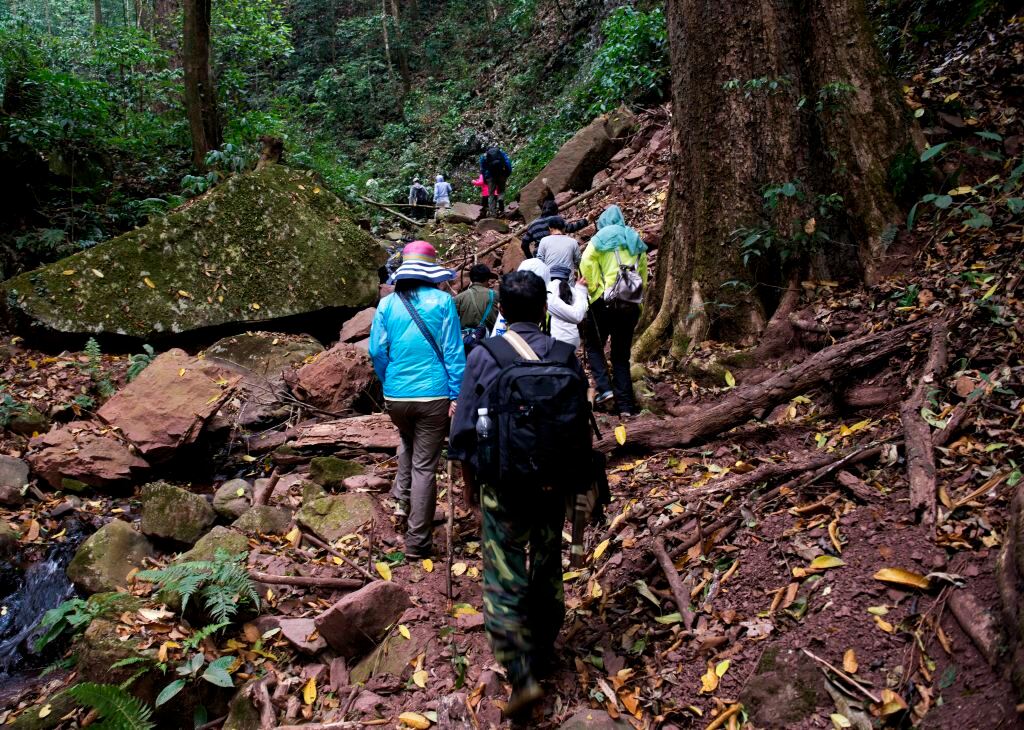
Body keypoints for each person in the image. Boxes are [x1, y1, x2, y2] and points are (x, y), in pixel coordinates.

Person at [450, 270, 590, 717]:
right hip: (553, 483)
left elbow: (465, 431)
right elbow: (578, 428)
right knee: (547, 565)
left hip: (504, 486)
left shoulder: (485, 355)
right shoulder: (566, 355)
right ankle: (544, 650)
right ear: (542, 310)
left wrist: (470, 488)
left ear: (503, 312)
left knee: (503, 575)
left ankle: (521, 673)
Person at [369, 241, 466, 559]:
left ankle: (400, 504)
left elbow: (376, 351)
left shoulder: (387, 305)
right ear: (431, 271)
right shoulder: (443, 301)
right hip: (434, 396)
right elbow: (453, 352)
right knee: (425, 466)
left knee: (409, 445)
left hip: (397, 396)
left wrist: (388, 382)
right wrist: (457, 394)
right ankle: (417, 543)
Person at [579, 205, 648, 416]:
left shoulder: (600, 238)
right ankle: (626, 406)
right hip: (630, 303)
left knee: (593, 345)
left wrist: (594, 290)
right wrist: (638, 301)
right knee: (620, 356)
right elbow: (643, 270)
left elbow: (586, 263)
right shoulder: (633, 237)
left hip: (604, 302)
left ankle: (605, 389)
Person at [490, 260, 587, 348]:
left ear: (501, 309)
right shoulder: (545, 297)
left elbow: (499, 328)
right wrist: (581, 289)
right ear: (544, 308)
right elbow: (577, 315)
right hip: (549, 344)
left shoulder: (510, 294)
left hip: (508, 345)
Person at [520, 200, 589, 259]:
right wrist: (586, 220)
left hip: (541, 257)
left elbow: (524, 244)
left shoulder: (533, 225)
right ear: (556, 210)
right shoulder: (556, 220)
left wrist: (531, 259)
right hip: (559, 253)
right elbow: (572, 228)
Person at [455, 263, 500, 349]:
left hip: (466, 343)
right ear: (487, 278)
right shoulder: (496, 296)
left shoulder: (459, 298)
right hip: (490, 343)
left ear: (471, 279)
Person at [479, 146, 512, 218]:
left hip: (490, 176)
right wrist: (507, 173)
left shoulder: (484, 156)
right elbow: (507, 162)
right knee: (501, 191)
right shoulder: (500, 152)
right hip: (501, 174)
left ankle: (493, 214)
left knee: (491, 195)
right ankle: (501, 201)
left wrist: (485, 179)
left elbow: (482, 169)